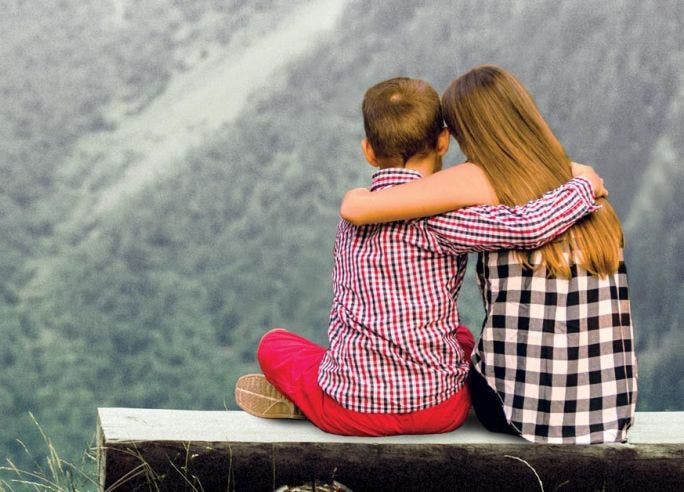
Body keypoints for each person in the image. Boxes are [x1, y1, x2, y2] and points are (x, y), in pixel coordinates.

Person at [234, 76, 606, 437]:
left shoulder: (354, 215)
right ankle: (329, 394)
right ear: (444, 141)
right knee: (461, 338)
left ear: (368, 150)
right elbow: (526, 226)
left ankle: (309, 401)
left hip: (349, 411)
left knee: (274, 344)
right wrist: (582, 186)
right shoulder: (450, 217)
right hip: (440, 409)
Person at [338, 65, 636, 444]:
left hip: (515, 411)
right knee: (456, 339)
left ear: (461, 136)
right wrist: (579, 184)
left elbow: (373, 207)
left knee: (450, 349)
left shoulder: (481, 182)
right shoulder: (584, 194)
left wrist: (356, 200)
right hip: (611, 409)